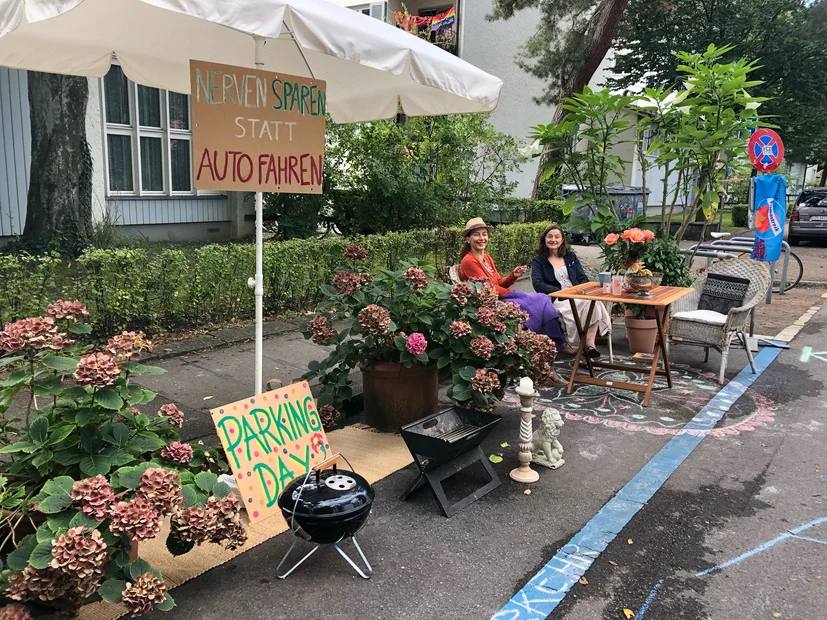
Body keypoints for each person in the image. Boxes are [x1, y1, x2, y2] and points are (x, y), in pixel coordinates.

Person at [459, 219, 567, 378]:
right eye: (477, 235)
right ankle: (551, 349)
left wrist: (513, 276)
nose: (482, 238)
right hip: (491, 303)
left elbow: (497, 282)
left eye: (484, 234)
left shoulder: (486, 258)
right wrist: (513, 293)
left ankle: (547, 352)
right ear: (468, 239)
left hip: (500, 296)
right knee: (541, 300)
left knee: (542, 300)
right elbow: (488, 289)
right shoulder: (469, 260)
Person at [530, 224, 611, 359]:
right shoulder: (538, 261)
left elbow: (582, 278)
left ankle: (590, 346)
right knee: (585, 307)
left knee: (594, 304)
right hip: (557, 298)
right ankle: (585, 350)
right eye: (549, 237)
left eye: (557, 237)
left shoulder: (570, 257)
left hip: (577, 295)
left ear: (562, 240)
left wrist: (578, 291)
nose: (553, 240)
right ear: (544, 239)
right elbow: (538, 285)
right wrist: (562, 291)